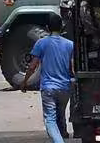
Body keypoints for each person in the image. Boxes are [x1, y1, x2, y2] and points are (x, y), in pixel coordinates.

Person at [21, 14, 73, 143]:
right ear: (61, 27)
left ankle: (59, 141)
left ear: (47, 27)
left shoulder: (41, 43)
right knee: (60, 114)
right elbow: (72, 67)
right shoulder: (70, 45)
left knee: (50, 119)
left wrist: (24, 82)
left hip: (48, 88)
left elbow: (32, 66)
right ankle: (62, 135)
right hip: (65, 88)